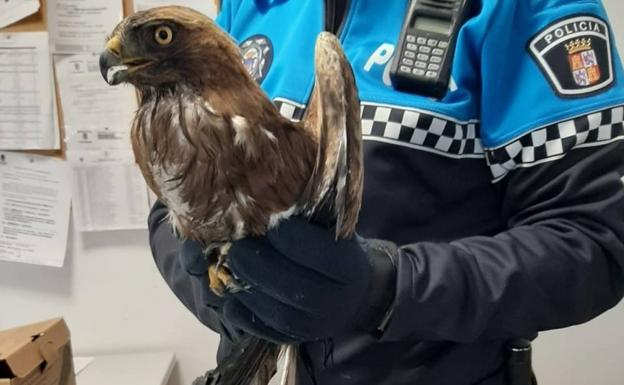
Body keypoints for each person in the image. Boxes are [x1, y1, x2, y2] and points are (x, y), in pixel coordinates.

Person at [148, 0, 624, 384]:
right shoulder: (249, 7)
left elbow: (593, 241)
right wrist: (219, 297)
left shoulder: (521, 7)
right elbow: (169, 208)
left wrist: (386, 289)